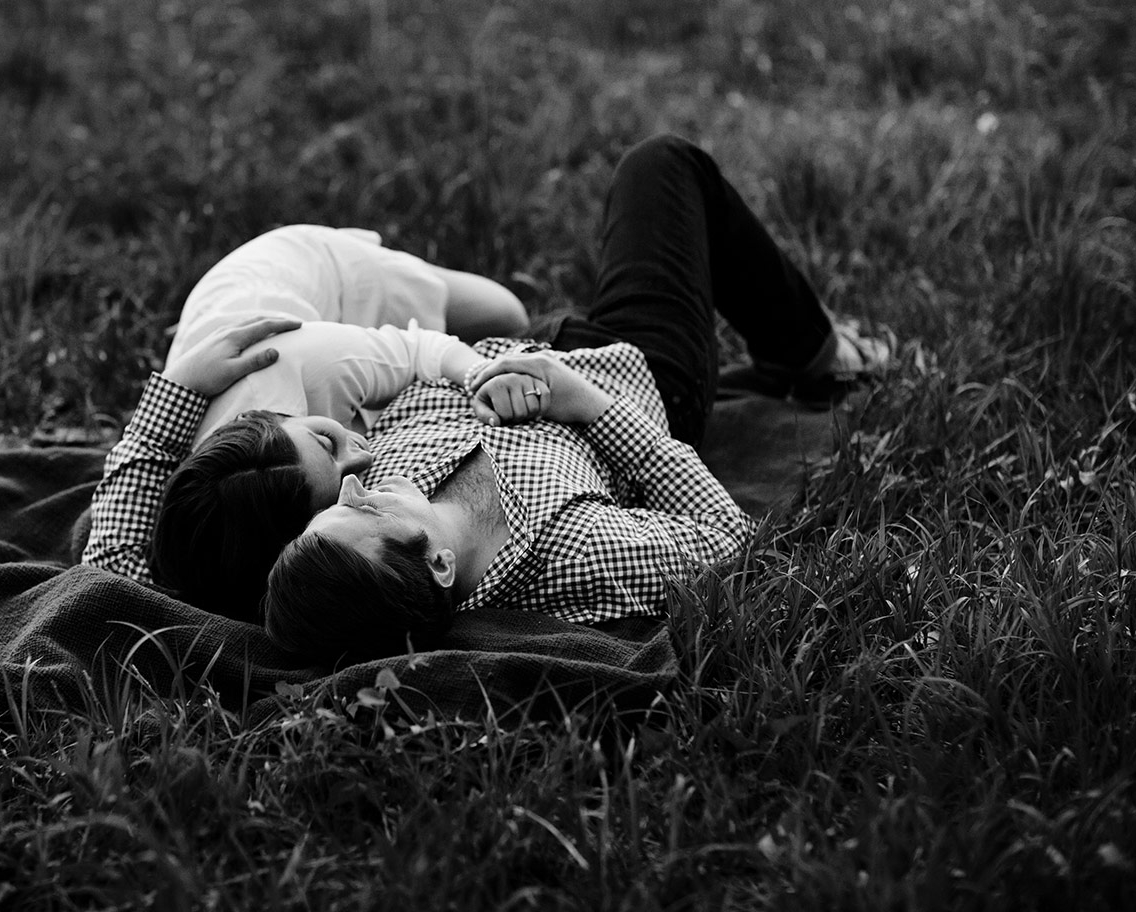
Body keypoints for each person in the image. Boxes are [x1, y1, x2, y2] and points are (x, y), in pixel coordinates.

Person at [263, 134, 890, 661]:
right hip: (631, 369)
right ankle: (815, 353)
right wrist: (586, 402)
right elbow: (732, 541)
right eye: (365, 511)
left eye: (336, 506)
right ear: (439, 566)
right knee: (664, 164)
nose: (352, 485)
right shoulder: (579, 553)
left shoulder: (365, 524)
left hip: (518, 345)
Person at [81, 225, 532, 620]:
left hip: (313, 272)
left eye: (327, 441)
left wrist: (482, 375)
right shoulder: (219, 528)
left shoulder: (302, 361)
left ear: (272, 418)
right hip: (251, 323)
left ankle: (376, 258)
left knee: (507, 315)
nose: (362, 458)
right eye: (334, 492)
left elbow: (423, 349)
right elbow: (109, 565)